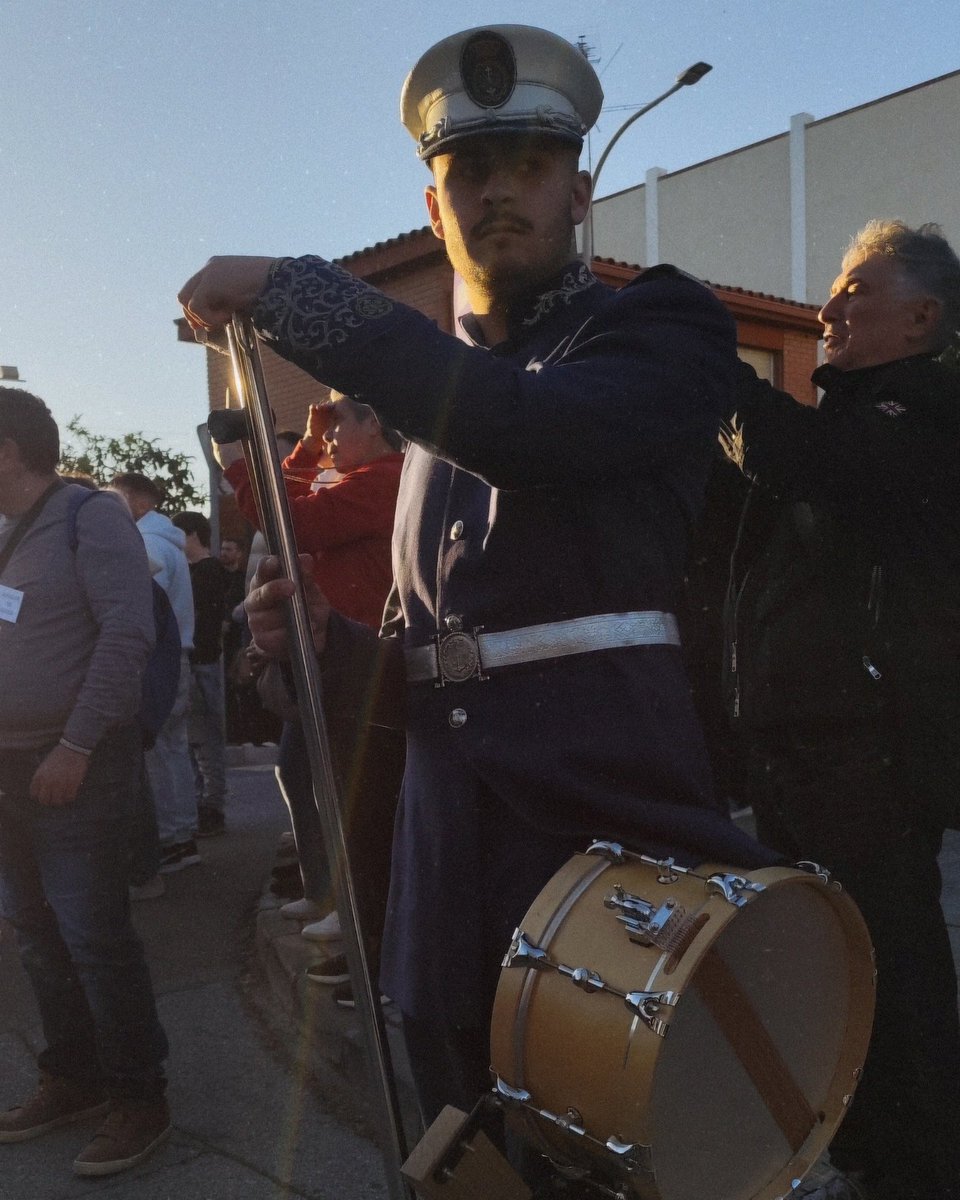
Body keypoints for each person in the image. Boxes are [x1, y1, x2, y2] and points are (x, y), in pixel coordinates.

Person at [179, 23, 777, 1131]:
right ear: (434, 194)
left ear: (581, 190)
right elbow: (433, 665)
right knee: (469, 1156)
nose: (502, 192)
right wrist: (325, 640)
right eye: (472, 171)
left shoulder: (657, 327)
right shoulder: (435, 412)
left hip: (606, 857)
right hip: (444, 890)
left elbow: (531, 433)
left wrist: (297, 292)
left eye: (532, 168)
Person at [724, 219, 960, 1200]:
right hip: (802, 760)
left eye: (855, 291)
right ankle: (864, 1151)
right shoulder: (845, 423)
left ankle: (926, 1166)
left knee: (893, 979)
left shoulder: (930, 407)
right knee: (833, 978)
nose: (828, 311)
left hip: (872, 762)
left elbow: (814, 464)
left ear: (923, 316)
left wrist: (709, 362)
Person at [0, 389, 170, 1176]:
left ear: (9, 449)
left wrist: (73, 746)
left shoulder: (87, 516)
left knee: (93, 935)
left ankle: (140, 1097)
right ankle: (72, 1076)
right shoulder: (3, 533)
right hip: (6, 768)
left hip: (73, 761)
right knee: (35, 933)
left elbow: (128, 632)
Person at [218, 394, 404, 999]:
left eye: (337, 425)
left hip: (368, 667)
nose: (324, 442)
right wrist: (314, 431)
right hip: (341, 664)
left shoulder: (386, 477)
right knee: (316, 782)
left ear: (375, 422)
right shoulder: (357, 476)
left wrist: (239, 463)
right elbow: (296, 485)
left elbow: (286, 516)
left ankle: (373, 949)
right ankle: (355, 925)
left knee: (362, 808)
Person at [109, 473, 198, 872]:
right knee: (172, 751)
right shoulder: (171, 542)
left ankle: (173, 839)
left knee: (159, 754)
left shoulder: (145, 544)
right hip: (178, 654)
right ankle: (184, 835)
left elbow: (144, 612)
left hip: (159, 660)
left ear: (142, 503)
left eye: (120, 498)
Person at [171, 510, 229, 837]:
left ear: (192, 534)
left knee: (206, 738)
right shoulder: (197, 569)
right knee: (199, 739)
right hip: (200, 659)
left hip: (203, 659)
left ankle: (213, 804)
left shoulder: (207, 570)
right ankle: (206, 801)